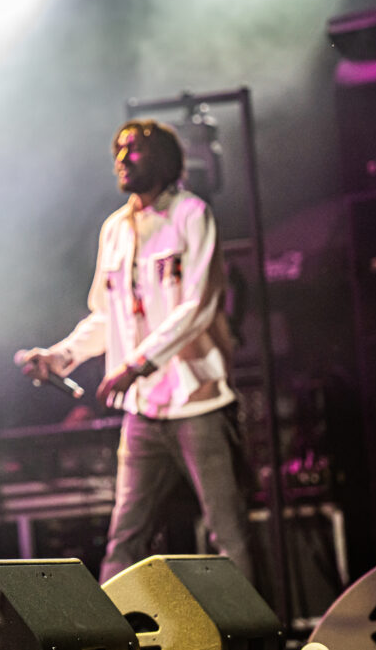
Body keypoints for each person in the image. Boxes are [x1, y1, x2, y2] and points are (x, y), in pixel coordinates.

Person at [18, 119, 254, 583]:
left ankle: (255, 625)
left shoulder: (192, 215)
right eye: (119, 150)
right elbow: (107, 316)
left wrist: (137, 364)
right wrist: (60, 357)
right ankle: (113, 624)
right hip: (143, 413)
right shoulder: (115, 229)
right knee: (125, 538)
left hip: (198, 402)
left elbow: (197, 306)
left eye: (135, 149)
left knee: (229, 534)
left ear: (165, 159)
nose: (122, 159)